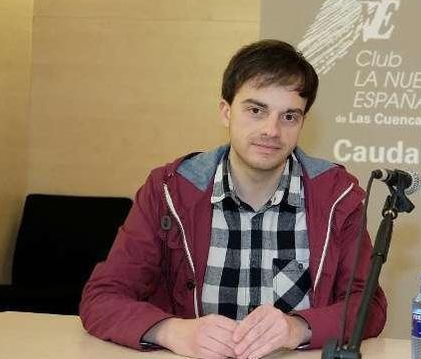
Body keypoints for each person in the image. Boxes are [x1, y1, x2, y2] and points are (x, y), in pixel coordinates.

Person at [81, 40, 386, 359]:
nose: (272, 130)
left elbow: (370, 306)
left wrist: (298, 328)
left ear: (302, 124)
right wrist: (172, 331)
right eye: (256, 110)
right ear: (226, 112)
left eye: (289, 117)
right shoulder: (168, 190)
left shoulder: (338, 195)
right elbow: (102, 298)